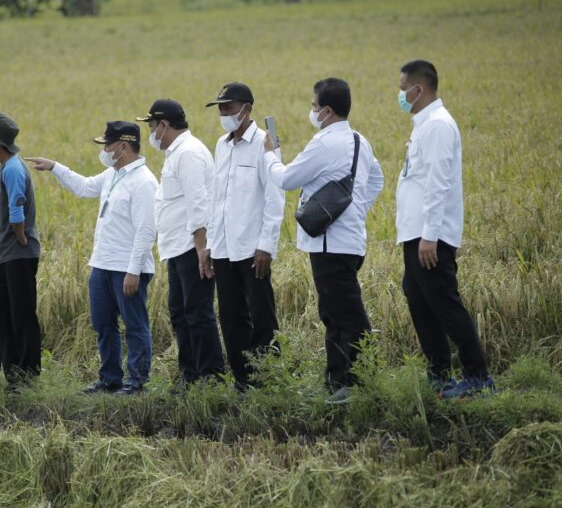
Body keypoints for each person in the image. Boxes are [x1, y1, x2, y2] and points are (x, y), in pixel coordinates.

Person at [263, 78, 384, 404]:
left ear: (327, 110)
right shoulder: (361, 141)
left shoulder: (324, 143)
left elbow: (287, 179)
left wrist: (270, 155)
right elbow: (377, 178)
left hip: (329, 243)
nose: (312, 111)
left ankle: (355, 383)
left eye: (315, 106)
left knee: (345, 314)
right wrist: (356, 209)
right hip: (351, 241)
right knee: (333, 311)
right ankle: (335, 379)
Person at [28, 121, 158, 395]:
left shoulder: (143, 181)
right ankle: (110, 379)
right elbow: (85, 187)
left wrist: (134, 270)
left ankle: (137, 382)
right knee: (103, 325)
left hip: (127, 268)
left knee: (134, 325)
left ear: (123, 146)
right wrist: (55, 167)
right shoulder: (113, 174)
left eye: (107, 145)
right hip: (102, 264)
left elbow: (147, 230)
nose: (105, 150)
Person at [396, 60, 494, 398]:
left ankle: (477, 376)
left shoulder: (437, 125)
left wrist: (430, 235)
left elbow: (438, 183)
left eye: (402, 88)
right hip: (415, 234)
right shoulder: (423, 125)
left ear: (418, 89)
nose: (400, 94)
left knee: (445, 304)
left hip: (428, 236)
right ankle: (439, 375)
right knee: (420, 300)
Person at [200, 82, 285, 391]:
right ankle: (242, 380)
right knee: (231, 316)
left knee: (262, 315)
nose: (224, 113)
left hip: (252, 248)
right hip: (223, 247)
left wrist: (266, 245)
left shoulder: (266, 142)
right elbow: (216, 199)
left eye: (229, 107)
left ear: (247, 108)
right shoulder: (222, 144)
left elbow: (276, 198)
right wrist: (210, 244)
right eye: (220, 108)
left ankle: (268, 379)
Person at [138, 99, 225, 387]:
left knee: (198, 313)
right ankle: (190, 375)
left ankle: (210, 378)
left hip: (191, 247)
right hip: (177, 247)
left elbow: (198, 204)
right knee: (180, 311)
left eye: (152, 126)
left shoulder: (188, 153)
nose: (151, 134)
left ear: (163, 125)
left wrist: (202, 249)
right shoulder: (175, 153)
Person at [0, 112, 42, 387]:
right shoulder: (6, 168)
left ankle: (27, 374)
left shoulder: (13, 169)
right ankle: (13, 370)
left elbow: (17, 213)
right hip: (7, 254)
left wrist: (22, 239)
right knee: (2, 312)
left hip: (19, 254)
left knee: (21, 314)